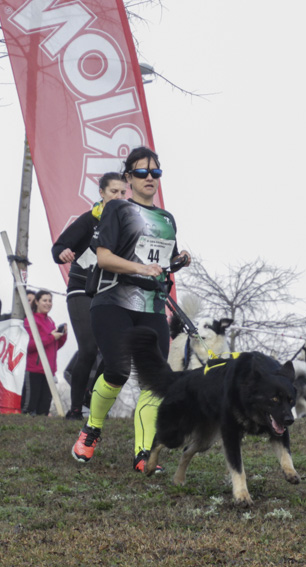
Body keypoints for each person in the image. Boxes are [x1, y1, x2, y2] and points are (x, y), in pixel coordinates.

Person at [70, 146, 190, 473]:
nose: (150, 178)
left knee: (155, 380)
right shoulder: (118, 209)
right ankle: (91, 428)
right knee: (118, 371)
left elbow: (162, 266)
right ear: (128, 177)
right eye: (142, 172)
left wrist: (177, 263)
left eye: (155, 172)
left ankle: (143, 455)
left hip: (152, 307)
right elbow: (104, 257)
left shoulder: (167, 219)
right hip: (112, 300)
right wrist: (141, 270)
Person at [51, 172, 127, 420]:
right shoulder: (89, 220)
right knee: (89, 347)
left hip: (110, 291)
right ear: (102, 193)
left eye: (122, 192)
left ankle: (90, 398)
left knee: (113, 351)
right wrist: (62, 253)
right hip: (82, 287)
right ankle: (74, 410)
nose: (118, 196)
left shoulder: (127, 223)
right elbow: (59, 246)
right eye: (113, 191)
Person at [22, 290, 67, 415]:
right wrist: (51, 337)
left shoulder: (50, 321)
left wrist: (62, 336)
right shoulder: (30, 320)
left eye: (50, 301)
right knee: (30, 407)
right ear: (36, 302)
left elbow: (53, 347)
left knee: (44, 409)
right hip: (34, 370)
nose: (48, 304)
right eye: (44, 300)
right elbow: (29, 346)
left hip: (49, 371)